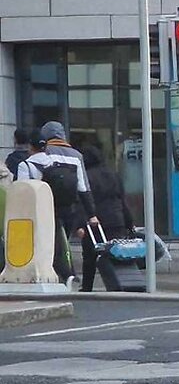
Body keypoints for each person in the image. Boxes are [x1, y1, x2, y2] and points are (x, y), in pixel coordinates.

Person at [16, 122, 98, 284]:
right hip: (69, 207)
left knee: (48, 244)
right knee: (62, 242)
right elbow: (83, 188)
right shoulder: (76, 155)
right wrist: (91, 214)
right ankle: (64, 274)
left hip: (45, 205)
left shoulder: (46, 154)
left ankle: (62, 275)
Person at [78, 145, 133, 292]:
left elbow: (83, 202)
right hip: (117, 219)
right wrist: (129, 223)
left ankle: (87, 286)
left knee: (90, 256)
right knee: (117, 254)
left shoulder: (87, 177)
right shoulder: (114, 175)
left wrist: (81, 224)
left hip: (96, 221)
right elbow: (122, 200)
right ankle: (122, 283)